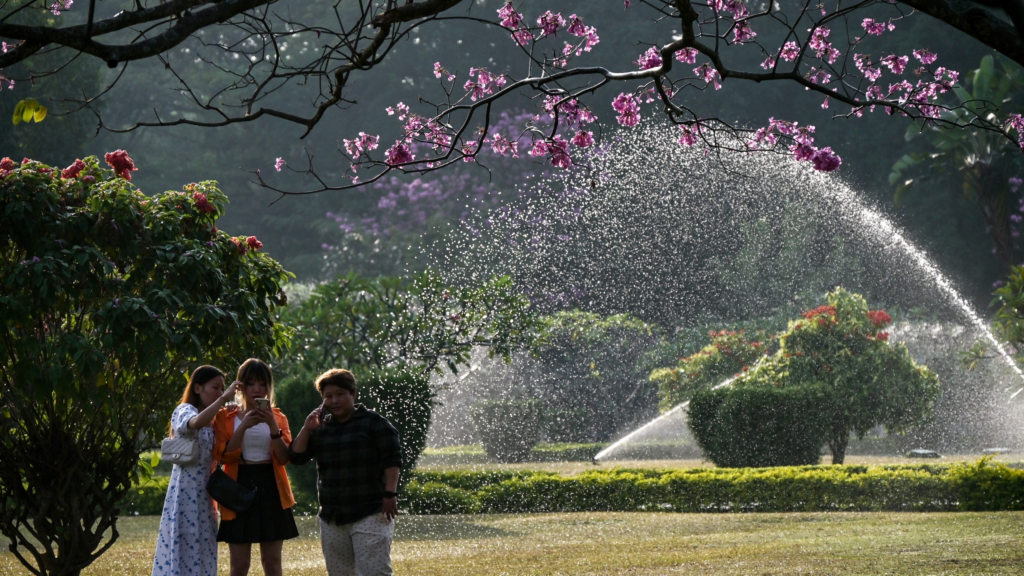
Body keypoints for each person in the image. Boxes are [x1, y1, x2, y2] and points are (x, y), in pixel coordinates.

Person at [290, 368, 403, 576]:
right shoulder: (321, 427)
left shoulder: (374, 423)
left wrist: (390, 494)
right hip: (332, 515)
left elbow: (392, 460)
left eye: (340, 394)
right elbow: (296, 457)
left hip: (370, 510)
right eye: (328, 396)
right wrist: (307, 428)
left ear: (353, 393)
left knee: (374, 571)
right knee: (339, 573)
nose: (334, 401)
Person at [213, 358, 298, 576]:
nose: (257, 389)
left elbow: (284, 457)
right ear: (241, 386)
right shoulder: (226, 416)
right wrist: (243, 427)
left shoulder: (278, 417)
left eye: (262, 383)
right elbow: (224, 457)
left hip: (272, 487)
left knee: (272, 562)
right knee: (239, 565)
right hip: (238, 485)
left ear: (269, 387)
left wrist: (271, 425)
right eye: (251, 384)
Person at [152, 365, 239, 576]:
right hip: (185, 492)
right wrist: (223, 400)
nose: (220, 393)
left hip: (207, 495)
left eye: (223, 389)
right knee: (184, 544)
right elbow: (193, 424)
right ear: (198, 388)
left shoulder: (215, 417)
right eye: (215, 388)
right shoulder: (185, 410)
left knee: (204, 545)